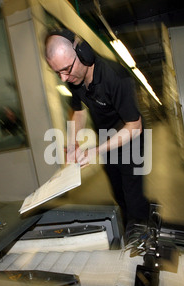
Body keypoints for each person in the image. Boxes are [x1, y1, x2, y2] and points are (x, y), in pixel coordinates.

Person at [45, 28, 151, 240]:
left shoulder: (115, 77)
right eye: (57, 73)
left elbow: (135, 125)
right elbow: (78, 110)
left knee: (133, 199)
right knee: (119, 194)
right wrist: (72, 142)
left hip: (130, 137)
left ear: (83, 54)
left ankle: (141, 240)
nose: (64, 78)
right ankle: (137, 220)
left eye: (66, 69)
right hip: (107, 140)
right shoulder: (75, 80)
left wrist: (94, 150)